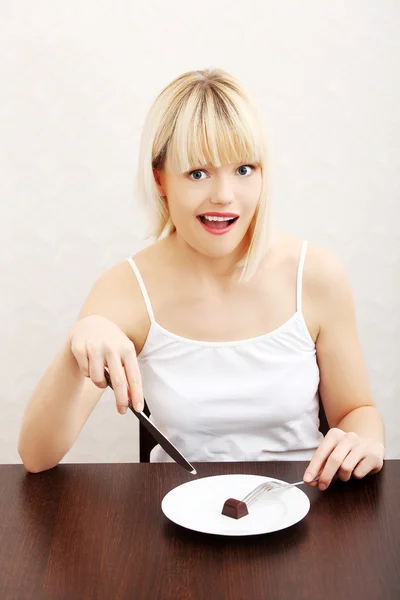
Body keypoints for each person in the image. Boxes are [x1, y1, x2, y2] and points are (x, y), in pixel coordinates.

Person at [18, 68, 385, 491]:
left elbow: (357, 410)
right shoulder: (125, 289)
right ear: (159, 179)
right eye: (198, 173)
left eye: (244, 169)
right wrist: (74, 346)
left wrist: (364, 440)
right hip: (178, 516)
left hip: (302, 507)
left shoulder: (317, 276)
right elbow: (36, 457)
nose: (224, 196)